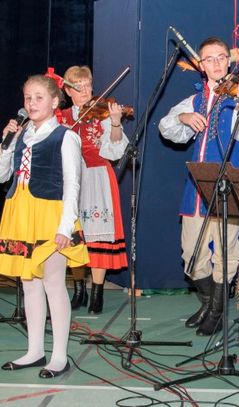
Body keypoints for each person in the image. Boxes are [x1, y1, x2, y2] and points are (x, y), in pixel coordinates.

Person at [158, 37, 239, 336]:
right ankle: (208, 302)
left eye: (220, 58)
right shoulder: (195, 99)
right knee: (191, 257)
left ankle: (217, 310)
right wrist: (183, 116)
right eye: (209, 59)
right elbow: (169, 130)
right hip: (197, 187)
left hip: (230, 183)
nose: (216, 64)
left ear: (228, 62)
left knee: (226, 254)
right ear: (201, 66)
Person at [0, 75, 89, 378]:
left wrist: (66, 226)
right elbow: (3, 176)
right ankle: (34, 350)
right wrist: (4, 144)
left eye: (39, 97)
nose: (32, 103)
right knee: (29, 283)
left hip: (51, 213)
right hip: (21, 211)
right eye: (27, 98)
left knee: (53, 282)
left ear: (54, 102)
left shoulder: (65, 136)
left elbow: (73, 184)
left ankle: (60, 355)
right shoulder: (21, 135)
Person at [60, 66, 129, 314]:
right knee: (74, 236)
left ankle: (97, 291)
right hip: (69, 181)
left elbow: (116, 151)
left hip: (97, 177)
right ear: (67, 90)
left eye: (89, 85)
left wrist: (115, 122)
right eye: (79, 87)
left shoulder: (101, 114)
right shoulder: (61, 117)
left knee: (98, 235)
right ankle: (78, 289)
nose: (86, 91)